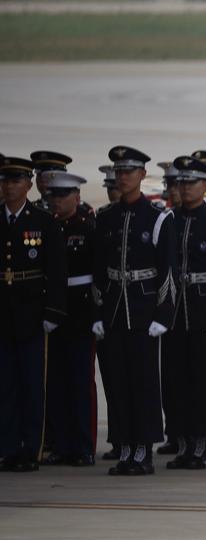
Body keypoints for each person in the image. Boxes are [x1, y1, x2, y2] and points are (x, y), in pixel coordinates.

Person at [92, 146, 176, 476]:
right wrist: (98, 313)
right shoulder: (106, 217)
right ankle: (124, 446)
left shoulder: (156, 218)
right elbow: (99, 268)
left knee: (143, 384)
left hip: (143, 312)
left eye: (130, 171)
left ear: (142, 175)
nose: (123, 177)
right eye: (119, 172)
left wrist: (162, 315)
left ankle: (143, 449)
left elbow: (167, 271)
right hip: (114, 310)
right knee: (116, 383)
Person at [160, 156, 206, 471]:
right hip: (176, 312)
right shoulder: (168, 220)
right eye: (182, 182)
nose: (185, 188)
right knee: (175, 380)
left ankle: (201, 446)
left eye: (192, 182)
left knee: (203, 381)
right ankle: (182, 442)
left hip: (204, 312)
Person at [0, 156, 67, 473]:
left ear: (28, 185)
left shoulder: (43, 221)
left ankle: (31, 448)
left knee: (31, 385)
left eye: (16, 181)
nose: (9, 187)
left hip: (31, 313)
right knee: (6, 385)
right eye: (5, 181)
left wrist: (53, 311)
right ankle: (7, 446)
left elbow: (56, 271)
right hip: (3, 314)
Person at [42, 171, 99, 467]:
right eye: (54, 195)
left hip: (80, 313)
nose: (58, 201)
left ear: (76, 197)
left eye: (63, 195)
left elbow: (97, 273)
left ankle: (83, 446)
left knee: (80, 383)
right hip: (55, 313)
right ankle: (62, 445)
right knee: (57, 384)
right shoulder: (48, 228)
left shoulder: (87, 228)